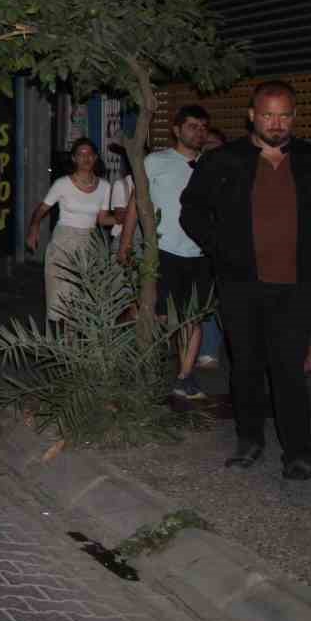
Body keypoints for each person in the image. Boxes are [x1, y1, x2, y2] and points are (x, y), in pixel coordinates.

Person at [180, 81, 311, 481]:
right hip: (241, 285)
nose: (276, 123)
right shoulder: (224, 160)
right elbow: (190, 210)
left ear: (294, 117)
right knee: (245, 365)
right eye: (268, 115)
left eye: (283, 116)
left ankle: (298, 454)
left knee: (289, 371)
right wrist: (221, 250)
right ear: (252, 114)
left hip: (295, 286)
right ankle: (250, 442)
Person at [117, 105, 217, 400]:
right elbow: (137, 202)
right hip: (163, 251)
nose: (199, 132)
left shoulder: (211, 165)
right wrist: (125, 243)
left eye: (203, 127)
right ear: (176, 129)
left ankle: (185, 377)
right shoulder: (155, 161)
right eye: (192, 126)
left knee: (192, 318)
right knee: (157, 313)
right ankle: (118, 333)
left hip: (200, 254)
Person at [26, 138, 125, 323]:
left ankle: (74, 345)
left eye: (89, 154)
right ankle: (65, 344)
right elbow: (41, 209)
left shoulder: (104, 186)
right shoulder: (62, 184)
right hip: (64, 243)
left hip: (89, 244)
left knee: (83, 300)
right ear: (74, 159)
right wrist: (34, 228)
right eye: (81, 154)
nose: (85, 158)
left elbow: (102, 220)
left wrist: (125, 219)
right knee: (61, 299)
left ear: (95, 158)